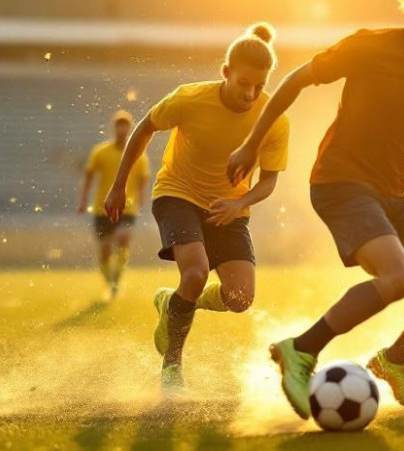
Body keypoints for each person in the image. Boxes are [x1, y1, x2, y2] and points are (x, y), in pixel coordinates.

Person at [226, 0, 404, 417]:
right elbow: (295, 81)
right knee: (398, 278)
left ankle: (394, 360)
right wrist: (251, 143)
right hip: (339, 182)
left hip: (391, 194)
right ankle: (300, 350)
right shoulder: (367, 47)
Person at [105, 24, 289, 393]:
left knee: (240, 299)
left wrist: (239, 201)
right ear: (225, 72)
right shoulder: (189, 99)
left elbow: (269, 180)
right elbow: (144, 130)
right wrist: (119, 183)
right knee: (195, 274)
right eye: (243, 84)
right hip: (179, 194)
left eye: (259, 85)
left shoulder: (274, 118)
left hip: (228, 208)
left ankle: (172, 304)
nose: (251, 94)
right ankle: (172, 364)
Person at [78, 110, 146, 299]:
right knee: (105, 249)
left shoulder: (137, 153)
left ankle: (117, 276)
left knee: (124, 237)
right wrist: (83, 200)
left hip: (127, 206)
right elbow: (89, 175)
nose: (122, 129)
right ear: (114, 128)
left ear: (130, 128)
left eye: (126, 126)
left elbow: (143, 177)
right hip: (103, 207)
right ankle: (111, 282)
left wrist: (141, 198)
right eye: (119, 125)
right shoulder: (100, 152)